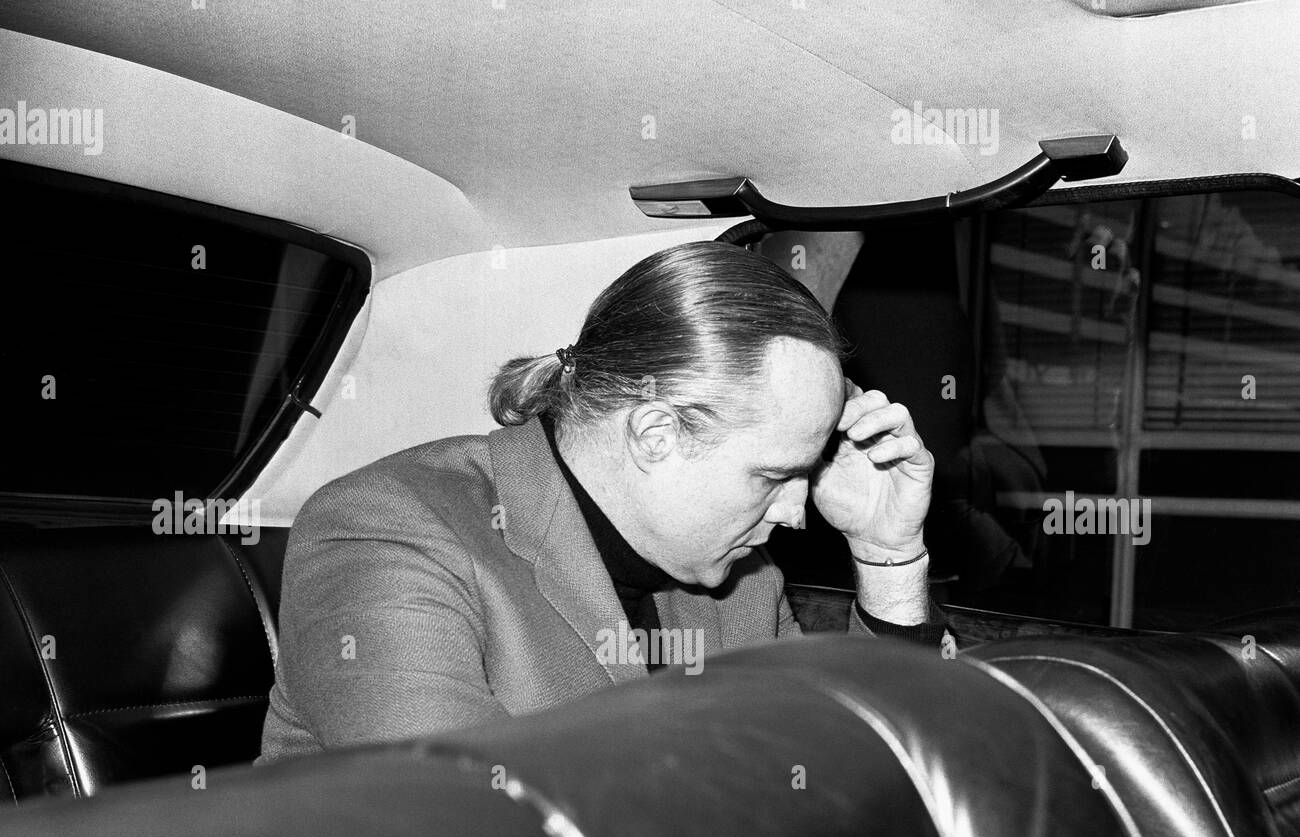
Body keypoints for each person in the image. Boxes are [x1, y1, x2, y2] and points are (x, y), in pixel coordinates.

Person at [256, 241, 950, 763]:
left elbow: (851, 776)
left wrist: (886, 555)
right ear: (654, 433)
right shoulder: (392, 533)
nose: (797, 515)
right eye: (772, 476)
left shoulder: (739, 583)